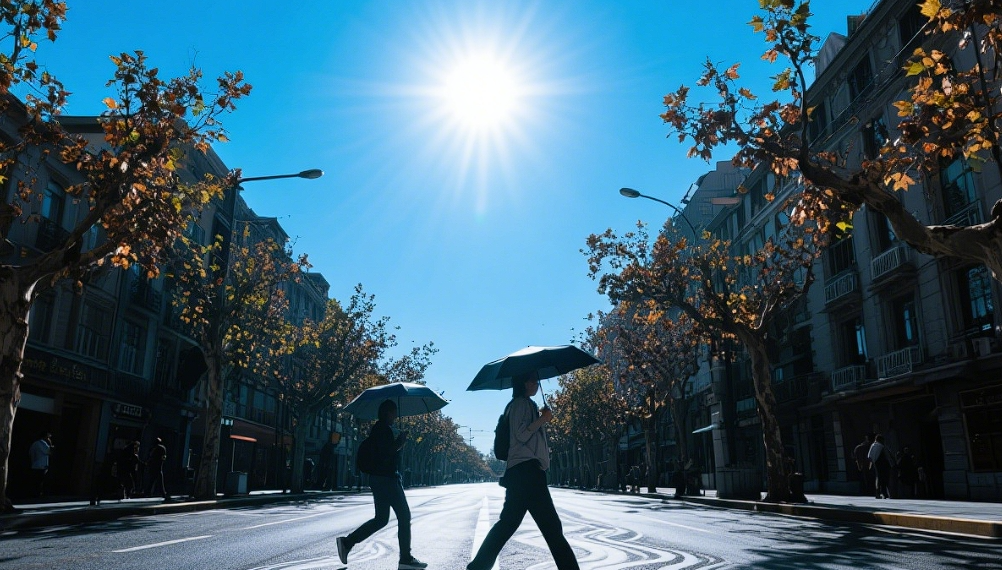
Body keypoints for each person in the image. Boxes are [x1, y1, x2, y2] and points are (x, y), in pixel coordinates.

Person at [465, 372, 580, 570]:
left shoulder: (522, 405)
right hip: (528, 473)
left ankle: (477, 567)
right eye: (533, 380)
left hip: (522, 474)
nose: (537, 384)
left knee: (508, 525)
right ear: (524, 383)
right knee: (551, 529)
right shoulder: (521, 404)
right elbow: (521, 434)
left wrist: (541, 417)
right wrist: (543, 419)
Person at [336, 400, 426, 570]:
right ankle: (405, 559)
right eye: (394, 412)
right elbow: (387, 453)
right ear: (388, 412)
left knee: (381, 519)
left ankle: (347, 542)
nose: (396, 415)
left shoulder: (379, 429)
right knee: (404, 516)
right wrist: (400, 442)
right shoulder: (383, 430)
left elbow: (384, 453)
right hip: (387, 479)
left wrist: (398, 442)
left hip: (379, 479)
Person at [28, 432, 53, 497]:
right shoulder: (42, 444)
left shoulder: (34, 444)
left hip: (35, 465)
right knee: (40, 481)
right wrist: (50, 444)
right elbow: (49, 451)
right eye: (48, 438)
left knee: (36, 481)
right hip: (41, 466)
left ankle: (35, 493)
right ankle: (38, 494)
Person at [868, 434, 893, 499]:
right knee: (884, 479)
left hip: (876, 464)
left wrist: (871, 463)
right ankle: (885, 493)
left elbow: (869, 456)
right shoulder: (882, 446)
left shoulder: (873, 445)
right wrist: (891, 464)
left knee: (878, 478)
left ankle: (877, 493)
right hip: (883, 464)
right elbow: (887, 456)